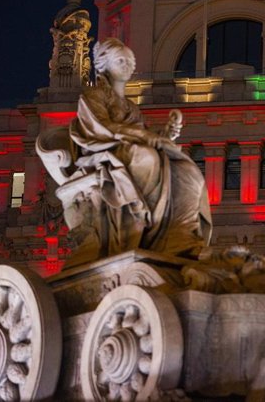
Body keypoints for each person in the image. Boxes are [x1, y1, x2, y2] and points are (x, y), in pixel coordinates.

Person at [68, 38, 211, 257]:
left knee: (188, 170)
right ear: (103, 64)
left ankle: (180, 232)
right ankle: (144, 222)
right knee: (146, 157)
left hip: (132, 151)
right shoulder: (92, 95)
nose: (126, 65)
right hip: (105, 152)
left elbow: (146, 134)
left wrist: (166, 134)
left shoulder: (132, 107)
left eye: (129, 62)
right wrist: (145, 136)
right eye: (120, 60)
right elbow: (101, 127)